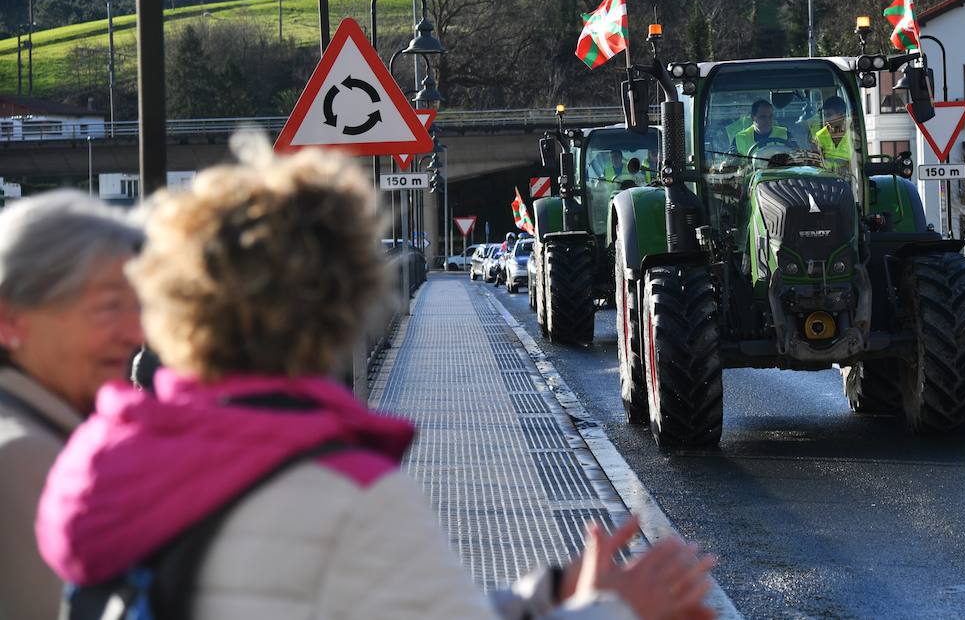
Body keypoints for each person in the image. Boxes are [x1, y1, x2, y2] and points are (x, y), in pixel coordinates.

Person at [36, 137, 715, 620]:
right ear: (345, 302)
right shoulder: (340, 495)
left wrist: (545, 596)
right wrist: (616, 611)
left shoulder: (99, 459)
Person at [0, 191, 143, 620]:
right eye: (107, 307)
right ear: (9, 320)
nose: (135, 332)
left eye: (136, 305)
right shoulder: (24, 457)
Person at [812, 96, 853, 174]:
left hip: (851, 181)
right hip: (827, 180)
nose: (826, 119)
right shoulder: (819, 136)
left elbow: (858, 161)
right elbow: (816, 163)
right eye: (825, 115)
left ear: (841, 115)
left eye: (829, 115)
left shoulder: (853, 135)